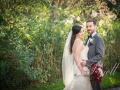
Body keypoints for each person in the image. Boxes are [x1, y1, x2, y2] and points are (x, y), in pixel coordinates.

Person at [62, 25, 92, 90]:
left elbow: (75, 55)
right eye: (80, 32)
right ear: (76, 33)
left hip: (79, 66)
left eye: (83, 31)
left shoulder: (75, 41)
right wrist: (82, 71)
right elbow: (76, 57)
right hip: (81, 67)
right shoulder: (79, 42)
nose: (83, 33)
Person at [81, 19, 105, 90]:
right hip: (88, 68)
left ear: (95, 26)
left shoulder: (98, 39)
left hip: (96, 68)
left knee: (96, 88)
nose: (88, 28)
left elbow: (100, 55)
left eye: (90, 26)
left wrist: (87, 62)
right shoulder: (88, 39)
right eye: (87, 26)